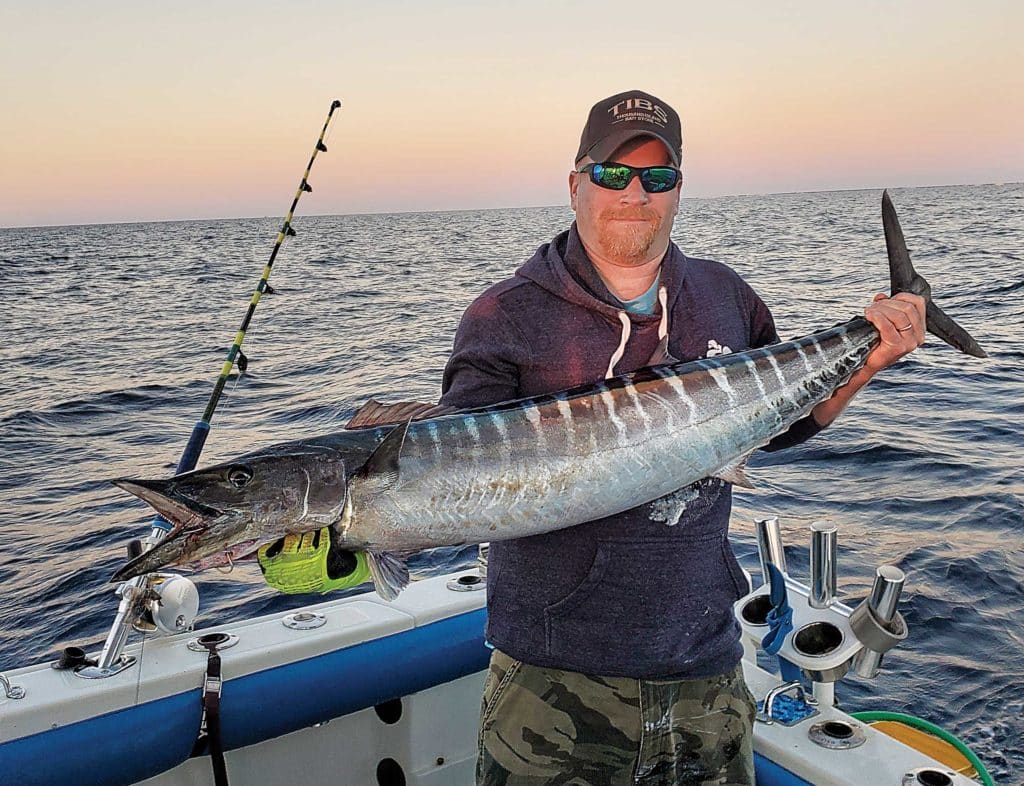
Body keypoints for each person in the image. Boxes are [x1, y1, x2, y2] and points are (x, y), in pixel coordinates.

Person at [262, 90, 926, 785]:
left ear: (677, 191)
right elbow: (455, 477)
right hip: (551, 689)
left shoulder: (725, 294)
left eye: (657, 176)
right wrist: (346, 533)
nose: (635, 192)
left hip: (707, 672)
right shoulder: (504, 316)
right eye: (614, 173)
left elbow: (777, 425)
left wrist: (867, 359)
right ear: (576, 183)